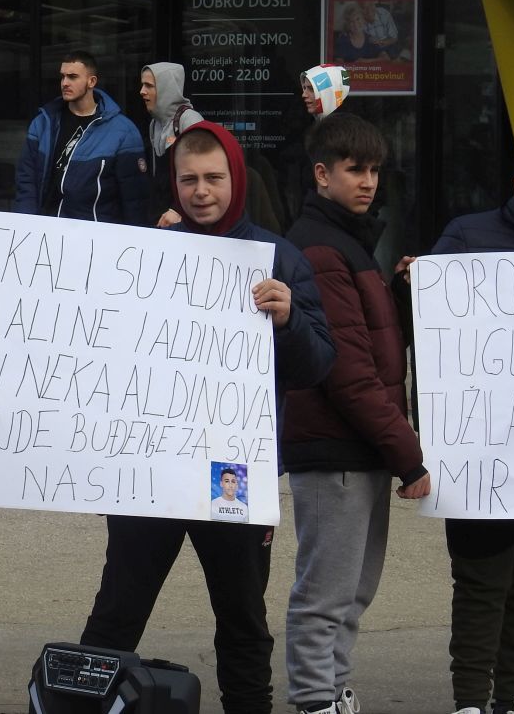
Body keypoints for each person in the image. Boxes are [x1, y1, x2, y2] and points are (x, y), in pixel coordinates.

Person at [79, 121, 335, 714]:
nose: (200, 191)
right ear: (173, 182)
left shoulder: (278, 258)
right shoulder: (144, 253)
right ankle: (82, 704)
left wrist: (289, 320)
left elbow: (318, 366)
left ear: (237, 178)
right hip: (151, 466)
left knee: (243, 616)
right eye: (189, 179)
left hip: (234, 469)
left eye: (214, 178)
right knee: (117, 612)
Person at [280, 112, 431, 714]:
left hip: (358, 446)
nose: (368, 181)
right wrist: (407, 453)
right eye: (354, 169)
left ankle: (333, 693)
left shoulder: (348, 241)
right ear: (322, 174)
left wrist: (401, 295)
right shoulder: (320, 247)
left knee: (352, 592)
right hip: (335, 447)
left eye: (374, 170)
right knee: (326, 594)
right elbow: (348, 372)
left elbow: (372, 344)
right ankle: (316, 700)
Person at [426, 142, 514, 714]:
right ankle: (471, 699)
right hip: (482, 449)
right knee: (481, 580)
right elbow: (429, 325)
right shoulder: (468, 236)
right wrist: (412, 284)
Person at [14, 51, 149, 224]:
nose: (65, 83)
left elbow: (133, 198)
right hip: (46, 229)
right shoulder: (43, 123)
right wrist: (26, 223)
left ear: (91, 81)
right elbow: (26, 179)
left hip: (93, 233)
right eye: (62, 76)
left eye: (72, 77)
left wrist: (131, 236)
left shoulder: (122, 131)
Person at [141, 61, 205, 228]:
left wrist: (177, 210)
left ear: (167, 89)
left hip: (182, 218)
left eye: (149, 86)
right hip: (161, 218)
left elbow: (202, 172)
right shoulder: (155, 124)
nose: (142, 91)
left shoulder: (189, 120)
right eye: (142, 85)